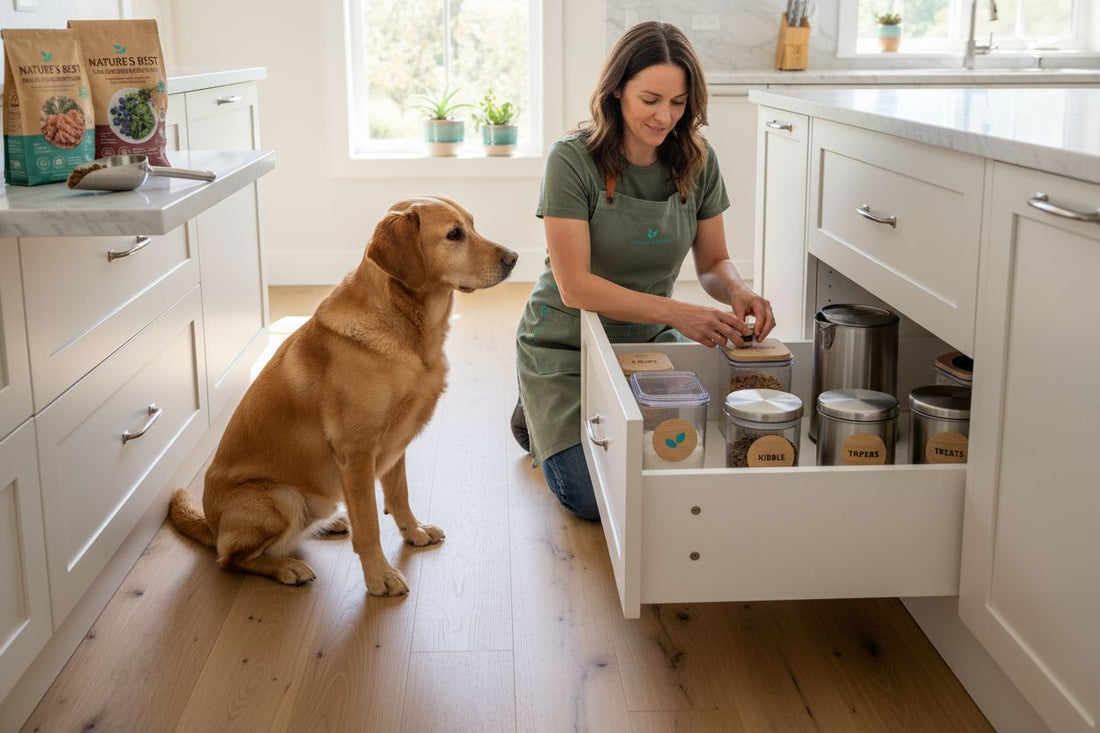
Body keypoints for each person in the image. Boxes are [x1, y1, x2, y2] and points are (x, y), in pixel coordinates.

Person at [513, 21, 775, 520]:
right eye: (650, 99)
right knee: (595, 498)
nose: (665, 117)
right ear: (616, 91)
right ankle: (536, 409)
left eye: (678, 103)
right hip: (567, 344)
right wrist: (679, 312)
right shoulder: (571, 161)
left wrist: (738, 290)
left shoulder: (698, 160)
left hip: (649, 344)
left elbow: (714, 262)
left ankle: (549, 421)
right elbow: (575, 286)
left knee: (674, 462)